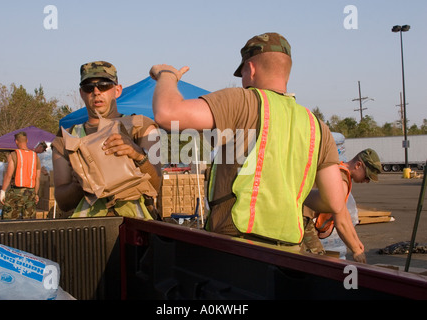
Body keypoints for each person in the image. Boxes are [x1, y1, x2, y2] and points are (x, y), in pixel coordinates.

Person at [149, 32, 366, 263]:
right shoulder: (317, 127)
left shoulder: (242, 101)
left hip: (238, 248)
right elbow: (333, 202)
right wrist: (290, 194)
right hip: (290, 252)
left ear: (250, 69)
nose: (243, 78)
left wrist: (167, 76)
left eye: (242, 72)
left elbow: (167, 113)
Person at [51, 61, 161, 218]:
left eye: (104, 86)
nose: (96, 92)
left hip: (135, 229)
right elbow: (63, 202)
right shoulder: (66, 138)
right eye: (89, 87)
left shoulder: (141, 127)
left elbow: (156, 186)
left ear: (117, 90)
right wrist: (82, 181)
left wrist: (137, 155)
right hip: (88, 231)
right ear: (81, 93)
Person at [309, 148, 382, 244]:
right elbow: (340, 222)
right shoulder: (341, 181)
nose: (366, 181)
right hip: (305, 221)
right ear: (358, 165)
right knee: (314, 256)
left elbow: (345, 214)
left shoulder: (338, 169)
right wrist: (356, 250)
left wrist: (356, 240)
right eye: (367, 176)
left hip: (308, 222)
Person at [0, 131, 41, 219]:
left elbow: (9, 175)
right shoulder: (35, 156)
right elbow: (37, 178)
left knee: (8, 219)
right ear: (27, 141)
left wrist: (3, 191)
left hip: (16, 192)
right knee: (29, 222)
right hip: (30, 193)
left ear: (16, 141)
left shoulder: (14, 155)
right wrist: (36, 193)